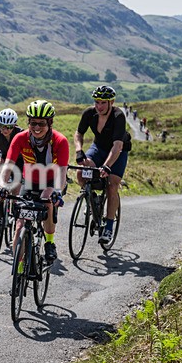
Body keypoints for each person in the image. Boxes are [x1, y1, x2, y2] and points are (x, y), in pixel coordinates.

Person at [0, 100, 68, 263]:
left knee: (46, 200)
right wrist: (3, 187)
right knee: (19, 226)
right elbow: (8, 166)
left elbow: (62, 171)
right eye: (33, 123)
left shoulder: (60, 141)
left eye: (41, 123)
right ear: (28, 122)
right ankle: (18, 270)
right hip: (29, 182)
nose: (36, 127)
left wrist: (57, 192)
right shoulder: (20, 138)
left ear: (50, 123)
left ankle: (49, 242)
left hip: (51, 181)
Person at [73, 85, 130, 244]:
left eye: (103, 102)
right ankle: (92, 200)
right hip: (98, 148)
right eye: (97, 102)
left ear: (111, 102)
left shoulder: (118, 116)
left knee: (112, 185)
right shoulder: (89, 113)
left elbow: (117, 146)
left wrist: (107, 166)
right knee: (81, 172)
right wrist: (79, 151)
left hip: (118, 151)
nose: (99, 106)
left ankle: (109, 227)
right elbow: (78, 133)